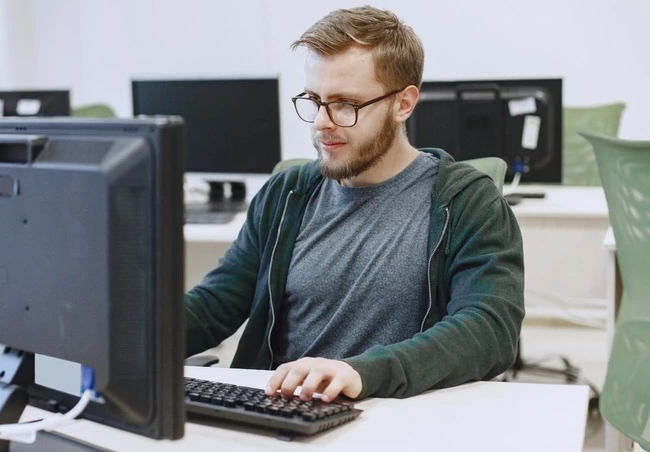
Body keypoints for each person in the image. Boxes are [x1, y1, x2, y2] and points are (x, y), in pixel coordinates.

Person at [184, 5, 524, 402]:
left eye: (345, 104)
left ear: (403, 103)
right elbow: (215, 305)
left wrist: (362, 373)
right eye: (314, 100)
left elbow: (489, 329)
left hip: (400, 414)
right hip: (284, 412)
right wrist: (131, 331)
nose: (321, 122)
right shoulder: (286, 194)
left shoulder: (467, 201)